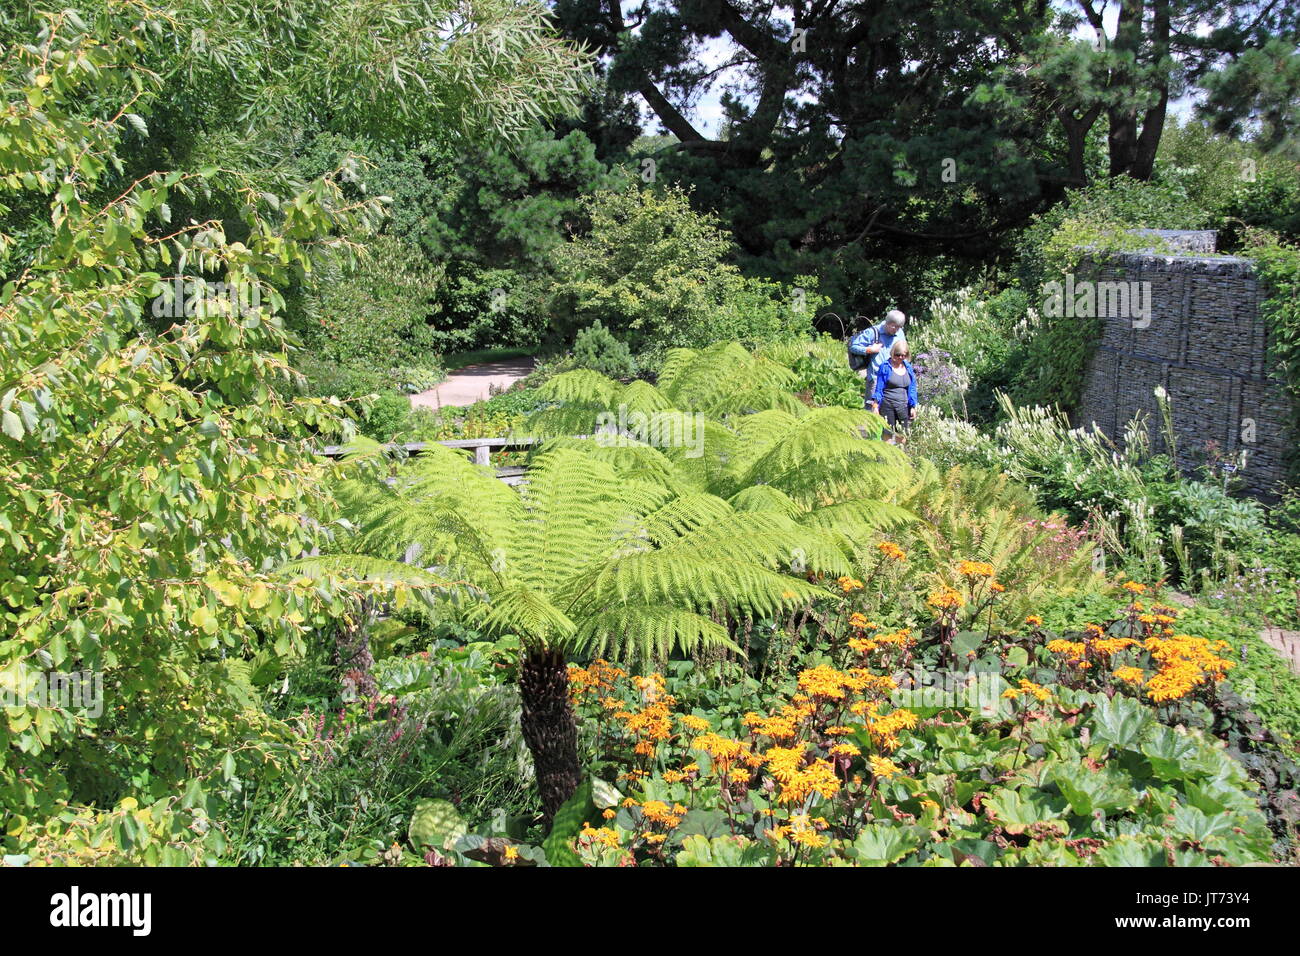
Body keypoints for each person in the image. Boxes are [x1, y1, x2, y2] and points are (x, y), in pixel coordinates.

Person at [848, 309, 907, 407]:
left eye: (899, 327)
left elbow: (903, 350)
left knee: (889, 410)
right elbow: (853, 347)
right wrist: (870, 349)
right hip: (876, 378)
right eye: (894, 326)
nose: (896, 329)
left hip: (894, 378)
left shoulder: (900, 333)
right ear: (887, 323)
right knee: (872, 409)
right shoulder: (873, 332)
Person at [870, 339, 918, 443]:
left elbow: (912, 388)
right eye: (897, 355)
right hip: (888, 405)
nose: (900, 357)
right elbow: (879, 388)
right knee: (888, 434)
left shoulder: (908, 368)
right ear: (893, 353)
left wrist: (913, 406)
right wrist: (875, 406)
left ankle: (900, 457)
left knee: (902, 434)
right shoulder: (885, 367)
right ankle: (886, 457)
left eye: (903, 355)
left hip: (903, 406)